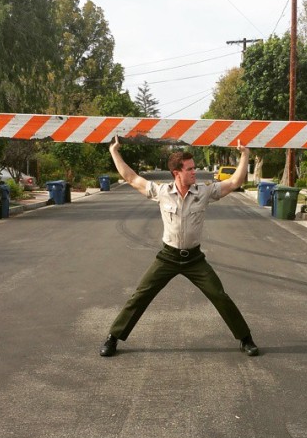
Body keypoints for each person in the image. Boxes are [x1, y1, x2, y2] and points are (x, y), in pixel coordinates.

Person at [99, 136, 259, 357]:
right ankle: (113, 338)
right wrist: (114, 151)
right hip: (168, 257)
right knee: (140, 295)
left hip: (194, 259)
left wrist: (245, 155)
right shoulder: (162, 192)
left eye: (194, 168)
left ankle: (245, 339)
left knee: (219, 295)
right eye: (190, 169)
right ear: (177, 173)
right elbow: (131, 177)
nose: (195, 172)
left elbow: (234, 182)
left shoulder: (203, 192)